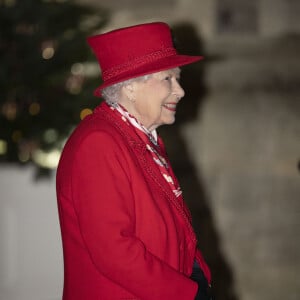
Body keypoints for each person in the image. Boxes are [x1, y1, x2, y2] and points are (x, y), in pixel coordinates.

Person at [56, 22, 211, 300]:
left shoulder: (140, 136)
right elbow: (114, 252)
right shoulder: (98, 143)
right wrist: (187, 293)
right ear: (130, 88)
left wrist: (198, 274)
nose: (180, 91)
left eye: (178, 79)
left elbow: (174, 225)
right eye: (168, 79)